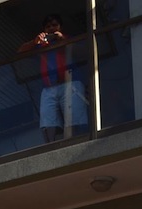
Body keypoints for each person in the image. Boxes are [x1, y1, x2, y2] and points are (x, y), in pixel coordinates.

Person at [18, 13, 88, 143]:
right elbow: (20, 52)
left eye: (55, 25)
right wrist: (34, 42)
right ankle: (50, 146)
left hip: (71, 83)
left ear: (60, 27)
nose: (51, 28)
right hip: (49, 87)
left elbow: (84, 52)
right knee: (47, 120)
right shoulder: (41, 45)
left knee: (75, 117)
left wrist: (62, 40)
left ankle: (76, 142)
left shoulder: (67, 39)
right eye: (48, 26)